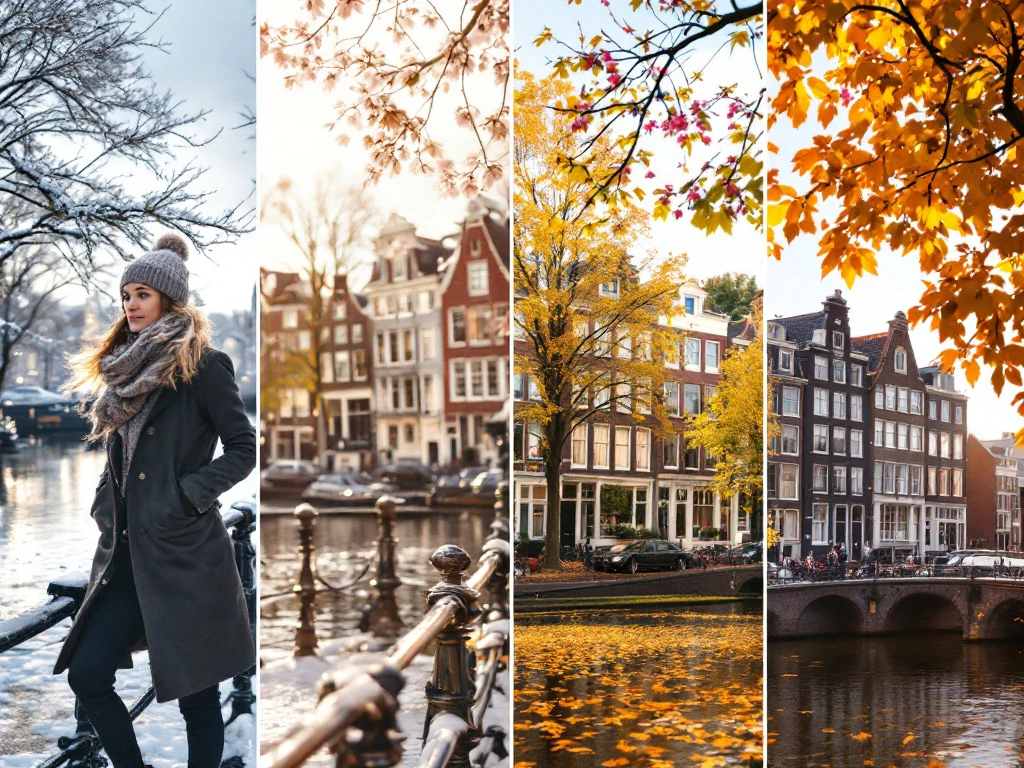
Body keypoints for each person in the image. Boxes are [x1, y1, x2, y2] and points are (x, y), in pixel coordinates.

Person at [53, 234, 257, 768]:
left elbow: (243, 448)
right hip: (124, 557)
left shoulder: (204, 365)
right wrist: (104, 502)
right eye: (126, 295)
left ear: (169, 298)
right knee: (88, 674)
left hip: (186, 557)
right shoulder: (123, 370)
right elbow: (120, 455)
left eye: (142, 293)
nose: (130, 305)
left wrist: (186, 496)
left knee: (198, 696)